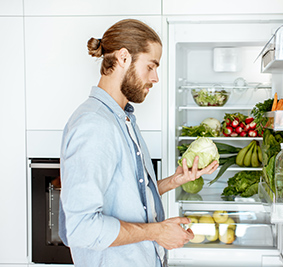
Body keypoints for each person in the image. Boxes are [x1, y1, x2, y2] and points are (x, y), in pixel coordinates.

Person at [59, 19, 219, 267]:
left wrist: (174, 181)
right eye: (151, 66)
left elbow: (126, 196)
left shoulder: (123, 118)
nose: (155, 78)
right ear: (123, 58)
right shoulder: (94, 125)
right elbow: (82, 229)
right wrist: (158, 232)